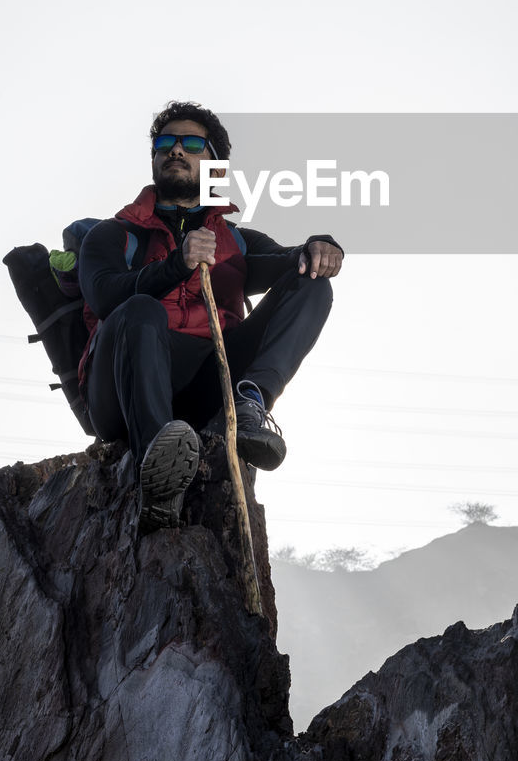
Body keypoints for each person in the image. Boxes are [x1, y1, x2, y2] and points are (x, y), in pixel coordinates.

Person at [78, 100, 344, 532]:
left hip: (208, 384)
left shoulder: (236, 241)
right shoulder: (113, 235)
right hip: (124, 390)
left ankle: (249, 403)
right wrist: (175, 266)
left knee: (314, 283)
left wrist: (318, 246)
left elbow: (292, 262)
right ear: (153, 159)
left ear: (215, 167)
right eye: (166, 142)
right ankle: (157, 475)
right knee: (139, 309)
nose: (176, 150)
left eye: (192, 144)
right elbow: (105, 296)